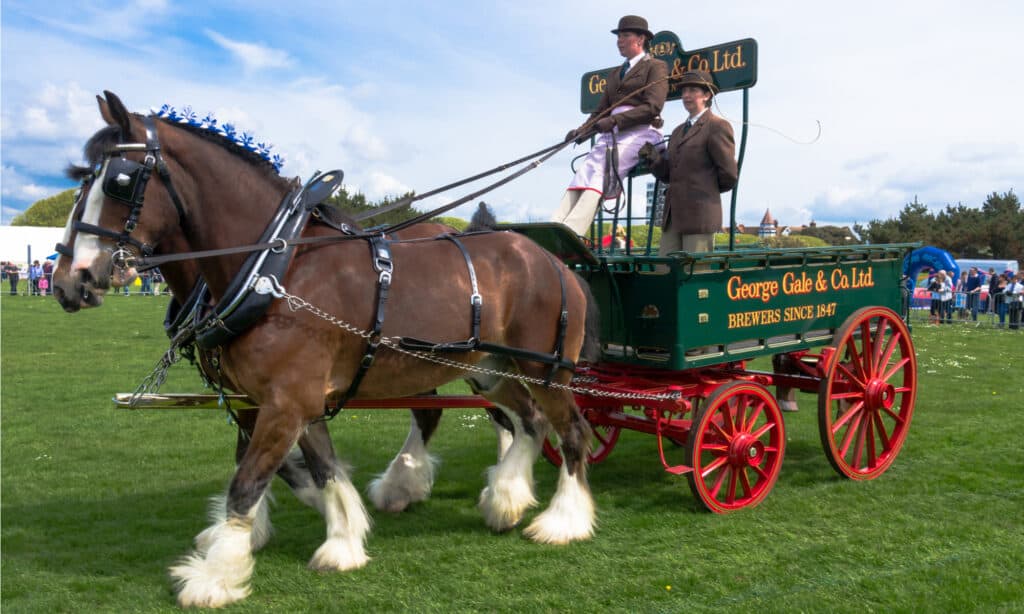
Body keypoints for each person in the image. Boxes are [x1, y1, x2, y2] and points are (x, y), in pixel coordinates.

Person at [554, 15, 669, 236]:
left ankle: (571, 232)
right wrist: (581, 132)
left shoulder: (655, 66)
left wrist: (616, 120)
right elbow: (600, 112)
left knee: (602, 169)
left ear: (641, 39)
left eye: (625, 35)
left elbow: (653, 107)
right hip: (612, 132)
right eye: (619, 36)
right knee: (584, 170)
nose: (619, 41)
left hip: (642, 132)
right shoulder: (616, 73)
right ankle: (556, 224)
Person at [639, 70, 738, 256]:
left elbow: (729, 175)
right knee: (665, 272)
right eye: (684, 91)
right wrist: (654, 159)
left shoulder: (717, 126)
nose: (686, 95)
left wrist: (705, 190)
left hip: (700, 215)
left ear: (707, 95)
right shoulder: (677, 132)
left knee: (693, 275)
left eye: (693, 90)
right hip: (673, 217)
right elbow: (669, 174)